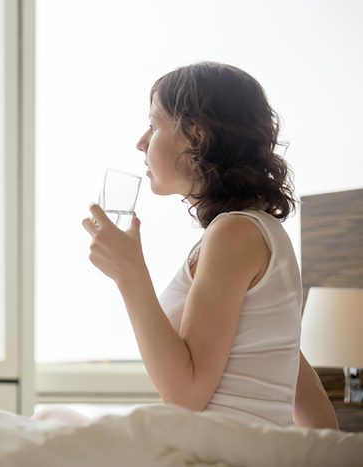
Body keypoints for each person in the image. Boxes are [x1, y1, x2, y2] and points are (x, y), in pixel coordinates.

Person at [78, 62, 338, 429]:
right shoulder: (254, 231)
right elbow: (312, 408)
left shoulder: (233, 233)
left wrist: (129, 275)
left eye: (153, 125)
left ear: (196, 137)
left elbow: (185, 397)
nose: (140, 142)